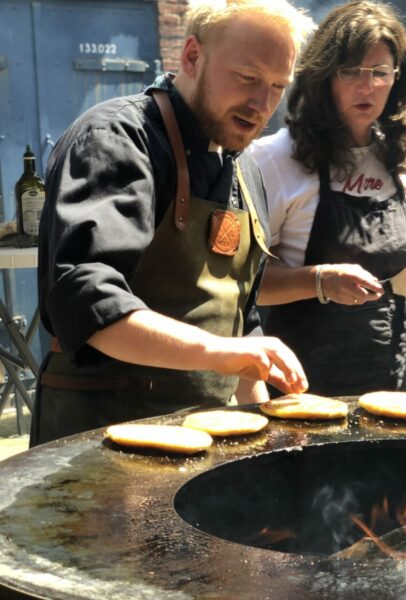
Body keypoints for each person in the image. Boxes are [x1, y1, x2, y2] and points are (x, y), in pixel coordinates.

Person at [32, 0, 314, 446]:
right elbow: (88, 301)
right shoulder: (117, 139)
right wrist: (218, 352)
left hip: (203, 440)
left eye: (278, 85)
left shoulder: (246, 170)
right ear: (192, 56)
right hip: (96, 436)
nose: (262, 104)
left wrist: (265, 439)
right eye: (247, 77)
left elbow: (241, 328)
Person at [247, 0, 406, 397]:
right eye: (350, 71)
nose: (367, 86)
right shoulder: (274, 159)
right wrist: (321, 281)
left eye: (379, 72)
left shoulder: (403, 158)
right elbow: (245, 283)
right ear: (323, 75)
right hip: (311, 391)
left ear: (397, 79)